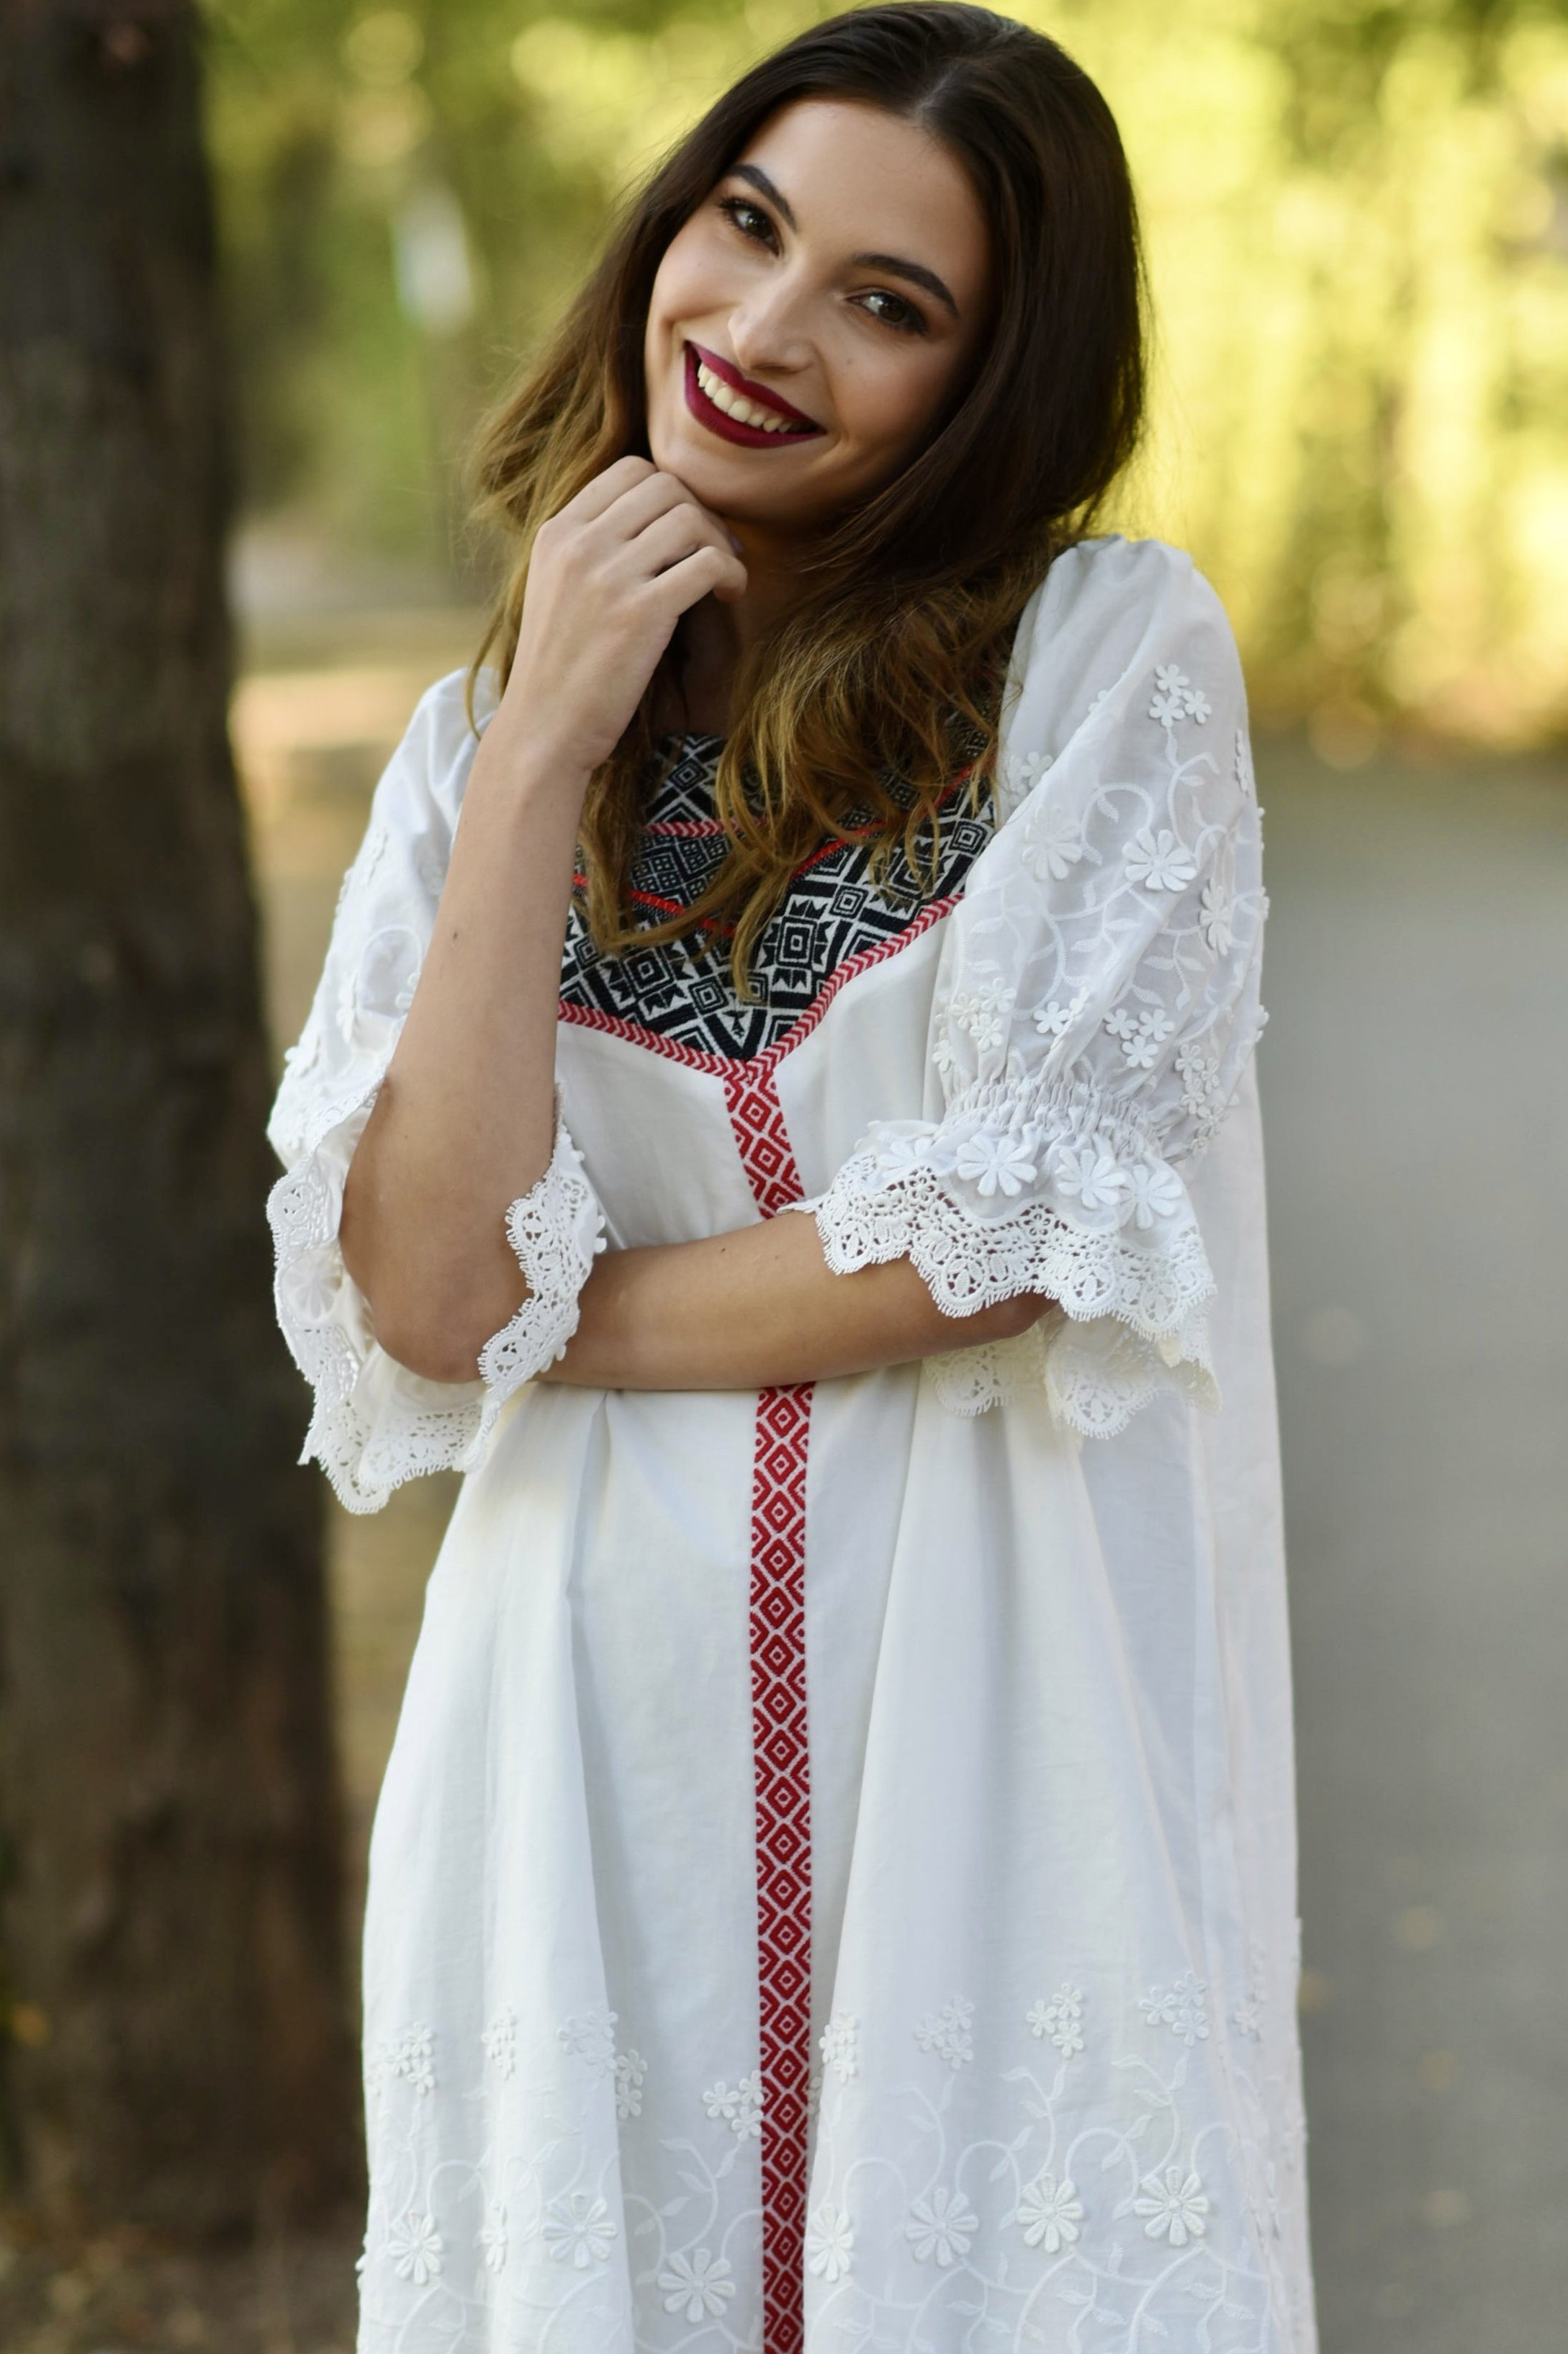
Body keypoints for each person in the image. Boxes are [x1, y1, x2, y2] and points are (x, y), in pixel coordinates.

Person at [266, 7, 1315, 2348]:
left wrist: (558, 1317)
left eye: (884, 300)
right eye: (744, 225)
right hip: (576, 1775)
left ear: (985, 385)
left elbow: (997, 1235)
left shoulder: (1094, 662)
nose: (759, 329)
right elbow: (424, 1287)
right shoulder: (471, 754)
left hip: (987, 1739)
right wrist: (541, 743)